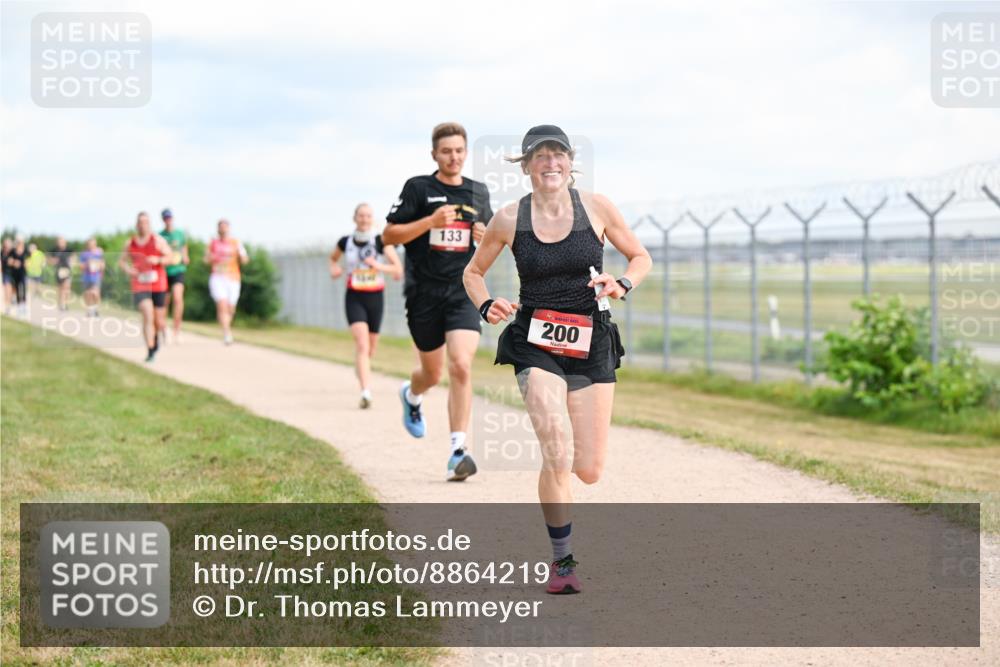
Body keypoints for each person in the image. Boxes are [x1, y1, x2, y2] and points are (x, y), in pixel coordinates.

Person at [463, 125, 651, 593]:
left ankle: (564, 530)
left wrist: (621, 283)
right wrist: (487, 305)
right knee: (557, 451)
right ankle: (562, 562)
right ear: (526, 165)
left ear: (570, 161)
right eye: (541, 156)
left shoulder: (597, 207)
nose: (551, 163)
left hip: (591, 341)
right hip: (535, 340)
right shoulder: (509, 218)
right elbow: (473, 272)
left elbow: (640, 257)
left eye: (558, 154)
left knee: (588, 469)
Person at [383, 122, 493, 482]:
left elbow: (493, 242)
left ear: (466, 153)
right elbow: (389, 235)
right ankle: (412, 395)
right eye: (446, 151)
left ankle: (458, 451)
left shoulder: (478, 192)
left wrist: (485, 237)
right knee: (431, 374)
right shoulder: (418, 188)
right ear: (434, 154)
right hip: (423, 294)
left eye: (459, 150)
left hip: (462, 291)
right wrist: (430, 221)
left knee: (460, 365)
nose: (453, 157)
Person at [330, 203, 403, 408]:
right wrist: (334, 269)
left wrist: (377, 265)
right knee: (362, 345)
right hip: (354, 297)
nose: (364, 219)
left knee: (370, 348)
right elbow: (333, 259)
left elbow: (397, 268)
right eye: (361, 215)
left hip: (375, 298)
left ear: (372, 219)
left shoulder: (380, 241)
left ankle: (361, 369)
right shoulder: (345, 242)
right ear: (355, 218)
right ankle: (366, 392)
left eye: (368, 216)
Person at [118, 212, 170, 362]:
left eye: (145, 222)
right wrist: (129, 270)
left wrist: (158, 260)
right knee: (147, 314)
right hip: (140, 284)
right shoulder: (130, 243)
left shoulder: (158, 240)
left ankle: (155, 339)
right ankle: (150, 350)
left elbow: (170, 257)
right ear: (136, 225)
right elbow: (122, 262)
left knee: (158, 320)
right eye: (140, 222)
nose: (143, 225)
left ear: (149, 224)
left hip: (158, 283)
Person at [206, 218, 248, 345]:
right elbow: (206, 259)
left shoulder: (236, 242)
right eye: (221, 227)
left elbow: (245, 259)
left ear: (228, 229)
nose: (223, 229)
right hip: (217, 277)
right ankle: (227, 333)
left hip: (233, 278)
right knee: (222, 305)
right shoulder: (213, 243)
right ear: (218, 229)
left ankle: (226, 328)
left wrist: (241, 257)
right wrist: (211, 258)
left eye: (225, 227)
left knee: (231, 308)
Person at [159, 208, 189, 342]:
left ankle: (177, 331)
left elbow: (184, 248)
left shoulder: (180, 233)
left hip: (178, 270)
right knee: (164, 302)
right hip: (164, 271)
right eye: (166, 218)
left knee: (178, 298)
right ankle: (164, 329)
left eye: (170, 217)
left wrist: (185, 257)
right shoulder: (159, 235)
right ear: (163, 219)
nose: (168, 220)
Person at [78, 238, 105, 317]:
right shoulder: (84, 254)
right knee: (87, 294)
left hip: (96, 276)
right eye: (90, 244)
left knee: (95, 293)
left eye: (93, 244)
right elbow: (80, 267)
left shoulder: (99, 253)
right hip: (86, 277)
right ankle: (89, 310)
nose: (92, 246)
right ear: (87, 245)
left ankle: (96, 309)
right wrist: (87, 263)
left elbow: (103, 264)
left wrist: (101, 270)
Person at [6, 236, 28, 318]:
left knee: (23, 288)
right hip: (15, 274)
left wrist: (26, 264)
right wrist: (14, 262)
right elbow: (9, 261)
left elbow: (27, 261)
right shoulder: (13, 251)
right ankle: (19, 307)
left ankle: (24, 306)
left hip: (23, 273)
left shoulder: (25, 251)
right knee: (17, 289)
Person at [50, 236, 73, 311]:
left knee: (67, 287)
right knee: (60, 288)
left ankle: (65, 303)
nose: (61, 244)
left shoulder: (69, 250)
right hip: (58, 271)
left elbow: (73, 257)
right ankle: (61, 303)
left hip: (66, 270)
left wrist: (72, 261)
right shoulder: (54, 250)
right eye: (59, 242)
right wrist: (53, 261)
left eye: (62, 242)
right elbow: (49, 260)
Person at [2, 237, 13, 314]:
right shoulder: (2, 252)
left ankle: (9, 303)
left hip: (12, 274)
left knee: (10, 289)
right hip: (5, 273)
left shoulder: (13, 253)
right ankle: (7, 306)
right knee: (6, 289)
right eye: (5, 245)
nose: (6, 247)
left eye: (8, 245)